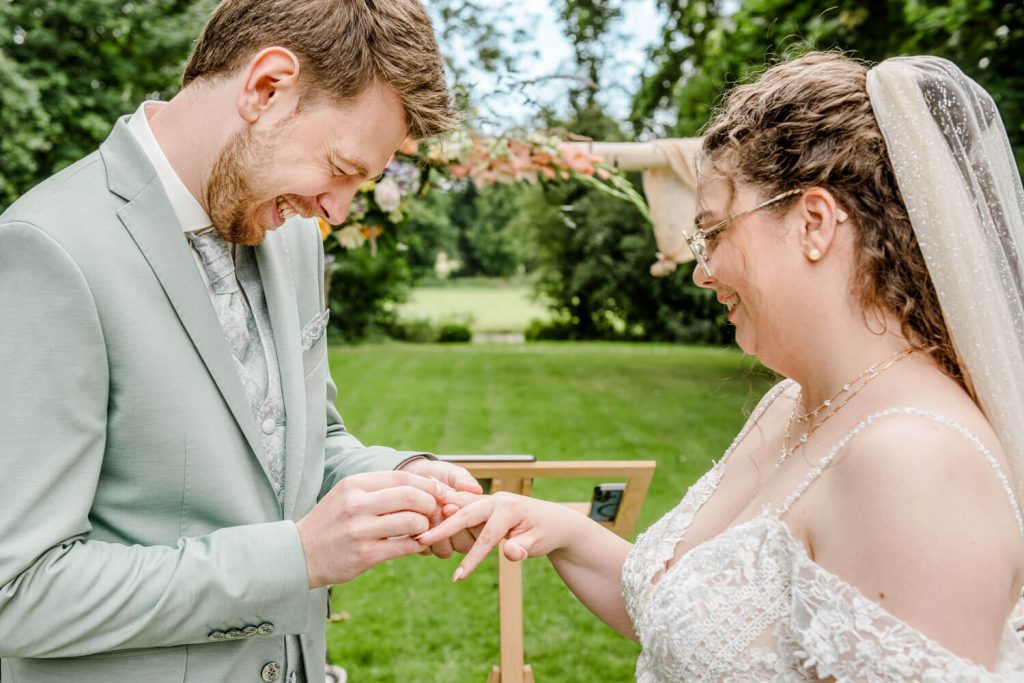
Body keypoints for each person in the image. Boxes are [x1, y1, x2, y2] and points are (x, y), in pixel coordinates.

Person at [419, 52, 1024, 680]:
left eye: (712, 232)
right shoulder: (792, 402)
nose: (701, 271)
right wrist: (558, 529)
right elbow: (692, 622)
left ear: (814, 223)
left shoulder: (915, 463)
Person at [0, 1, 481, 682]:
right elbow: (19, 591)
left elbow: (303, 442)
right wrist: (296, 559)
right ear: (266, 88)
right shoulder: (50, 249)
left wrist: (397, 478)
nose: (339, 210)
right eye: (340, 168)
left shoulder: (288, 238)